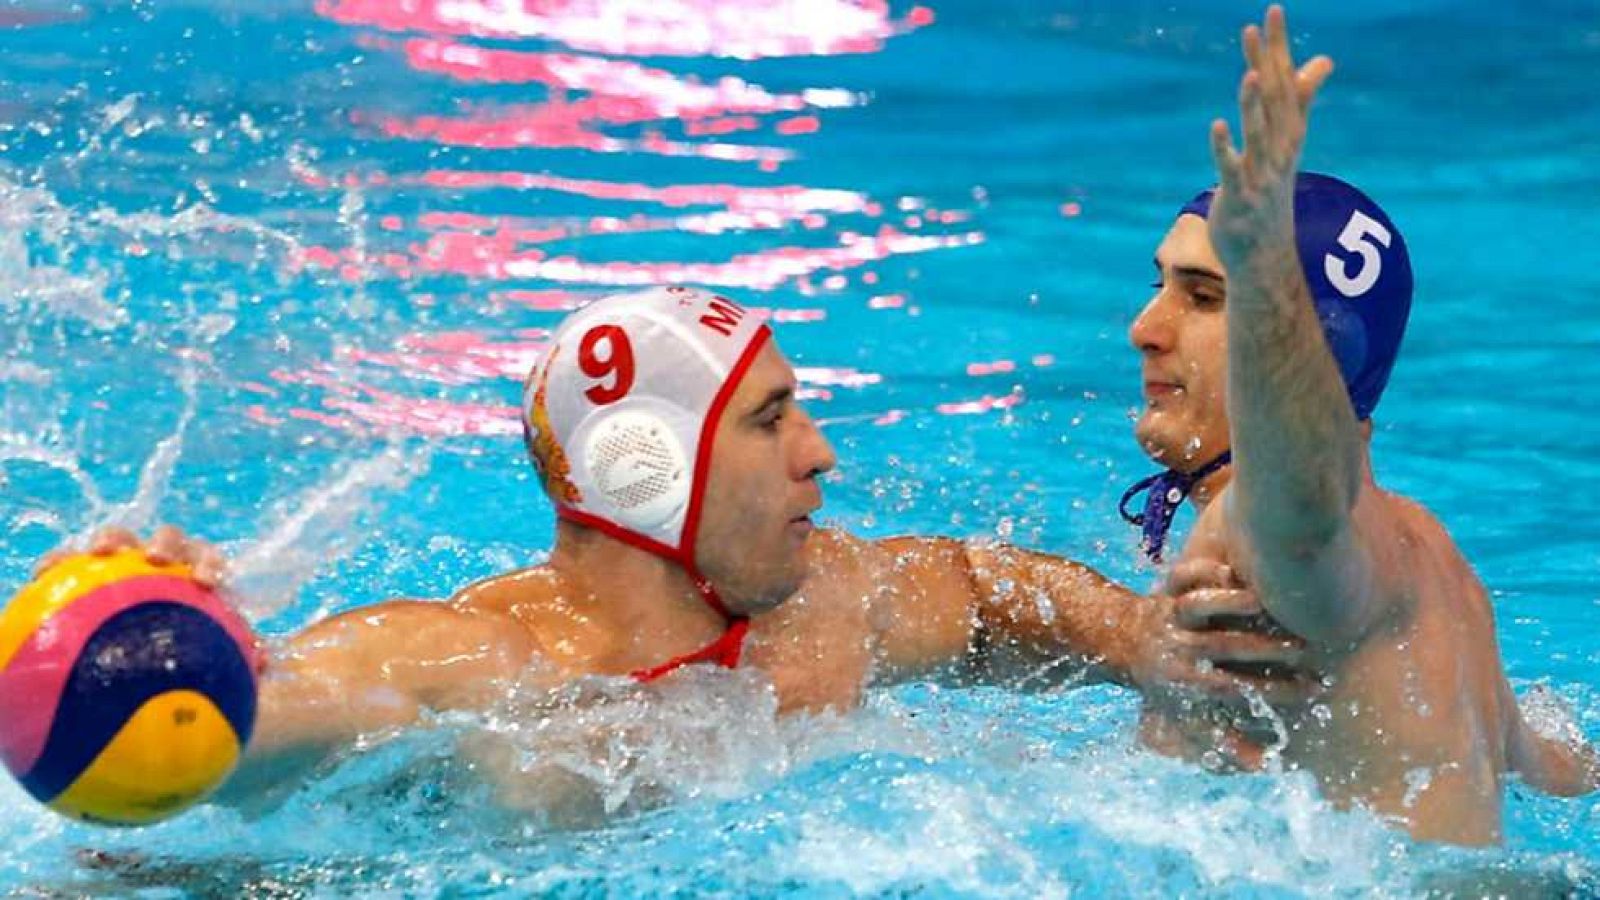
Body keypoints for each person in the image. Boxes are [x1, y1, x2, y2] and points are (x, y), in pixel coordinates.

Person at [43, 285, 1306, 815]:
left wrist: (1137, 640)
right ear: (650, 474)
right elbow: (268, 714)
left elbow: (984, 593)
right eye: (770, 420)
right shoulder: (479, 663)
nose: (822, 456)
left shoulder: (828, 604)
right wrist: (159, 639)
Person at [1119, 5, 1597, 845]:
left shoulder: (1282, 530)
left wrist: (1266, 265)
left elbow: (1304, 508)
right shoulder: (1437, 559)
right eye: (1160, 284)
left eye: (1203, 297)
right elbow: (1552, 769)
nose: (1145, 329)